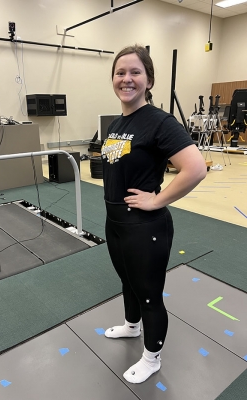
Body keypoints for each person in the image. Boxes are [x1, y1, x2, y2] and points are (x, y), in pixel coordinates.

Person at [101, 44, 207, 384]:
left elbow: (195, 168)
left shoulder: (160, 121)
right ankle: (132, 328)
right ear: (113, 79)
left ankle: (152, 358)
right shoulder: (118, 122)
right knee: (127, 282)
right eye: (120, 73)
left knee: (148, 293)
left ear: (149, 80)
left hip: (144, 225)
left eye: (135, 72)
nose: (126, 79)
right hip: (116, 221)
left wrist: (157, 200)